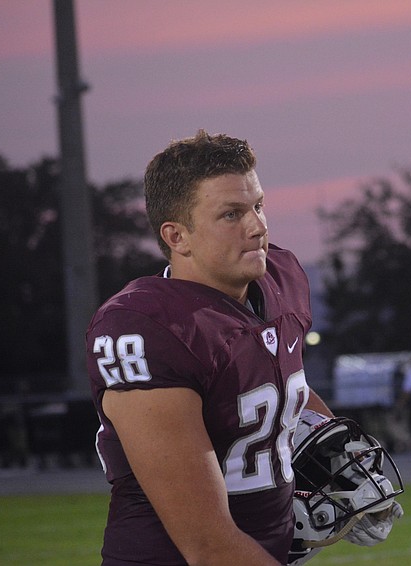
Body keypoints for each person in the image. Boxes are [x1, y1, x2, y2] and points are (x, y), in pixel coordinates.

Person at [87, 131, 334, 565]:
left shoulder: (281, 278)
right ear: (178, 236)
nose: (258, 226)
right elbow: (207, 543)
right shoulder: (146, 327)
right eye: (231, 214)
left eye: (258, 205)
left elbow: (276, 381)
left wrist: (335, 445)